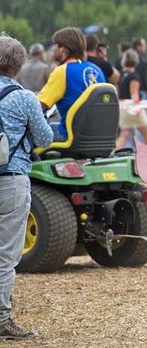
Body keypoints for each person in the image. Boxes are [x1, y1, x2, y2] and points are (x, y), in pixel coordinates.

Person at [0, 36, 56, 340]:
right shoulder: (24, 98)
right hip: (11, 178)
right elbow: (45, 138)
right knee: (6, 255)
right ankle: (2, 318)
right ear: (19, 65)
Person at [38, 28, 105, 139]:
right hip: (98, 135)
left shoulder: (62, 71)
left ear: (63, 49)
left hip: (72, 135)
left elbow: (39, 106)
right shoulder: (97, 70)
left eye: (55, 45)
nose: (53, 50)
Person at [116, 50, 147, 150]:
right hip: (133, 108)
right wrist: (139, 108)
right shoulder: (134, 77)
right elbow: (134, 94)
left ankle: (112, 153)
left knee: (124, 134)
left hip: (123, 108)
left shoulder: (120, 75)